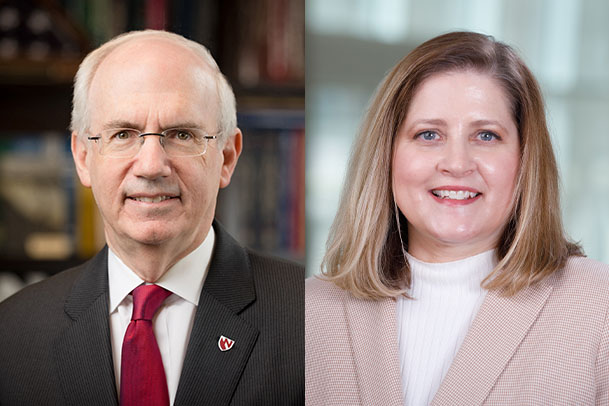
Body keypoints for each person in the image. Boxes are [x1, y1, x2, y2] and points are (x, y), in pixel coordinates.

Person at [0, 30, 303, 406]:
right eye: (123, 134)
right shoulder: (11, 334)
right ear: (82, 157)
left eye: (181, 134)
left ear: (226, 157)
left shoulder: (313, 320)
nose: (151, 165)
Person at [306, 31, 609, 405]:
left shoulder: (599, 306)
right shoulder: (306, 311)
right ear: (387, 155)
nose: (457, 164)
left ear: (525, 159)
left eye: (486, 135)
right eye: (429, 134)